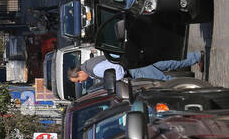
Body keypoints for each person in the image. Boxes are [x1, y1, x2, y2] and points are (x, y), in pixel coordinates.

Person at [67, 49, 202, 91]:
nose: (79, 82)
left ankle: (195, 87)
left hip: (134, 69)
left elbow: (117, 70)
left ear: (79, 73)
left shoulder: (94, 70)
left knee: (164, 82)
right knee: (169, 62)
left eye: (77, 80)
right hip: (135, 60)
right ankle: (197, 56)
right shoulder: (90, 65)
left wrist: (116, 82)